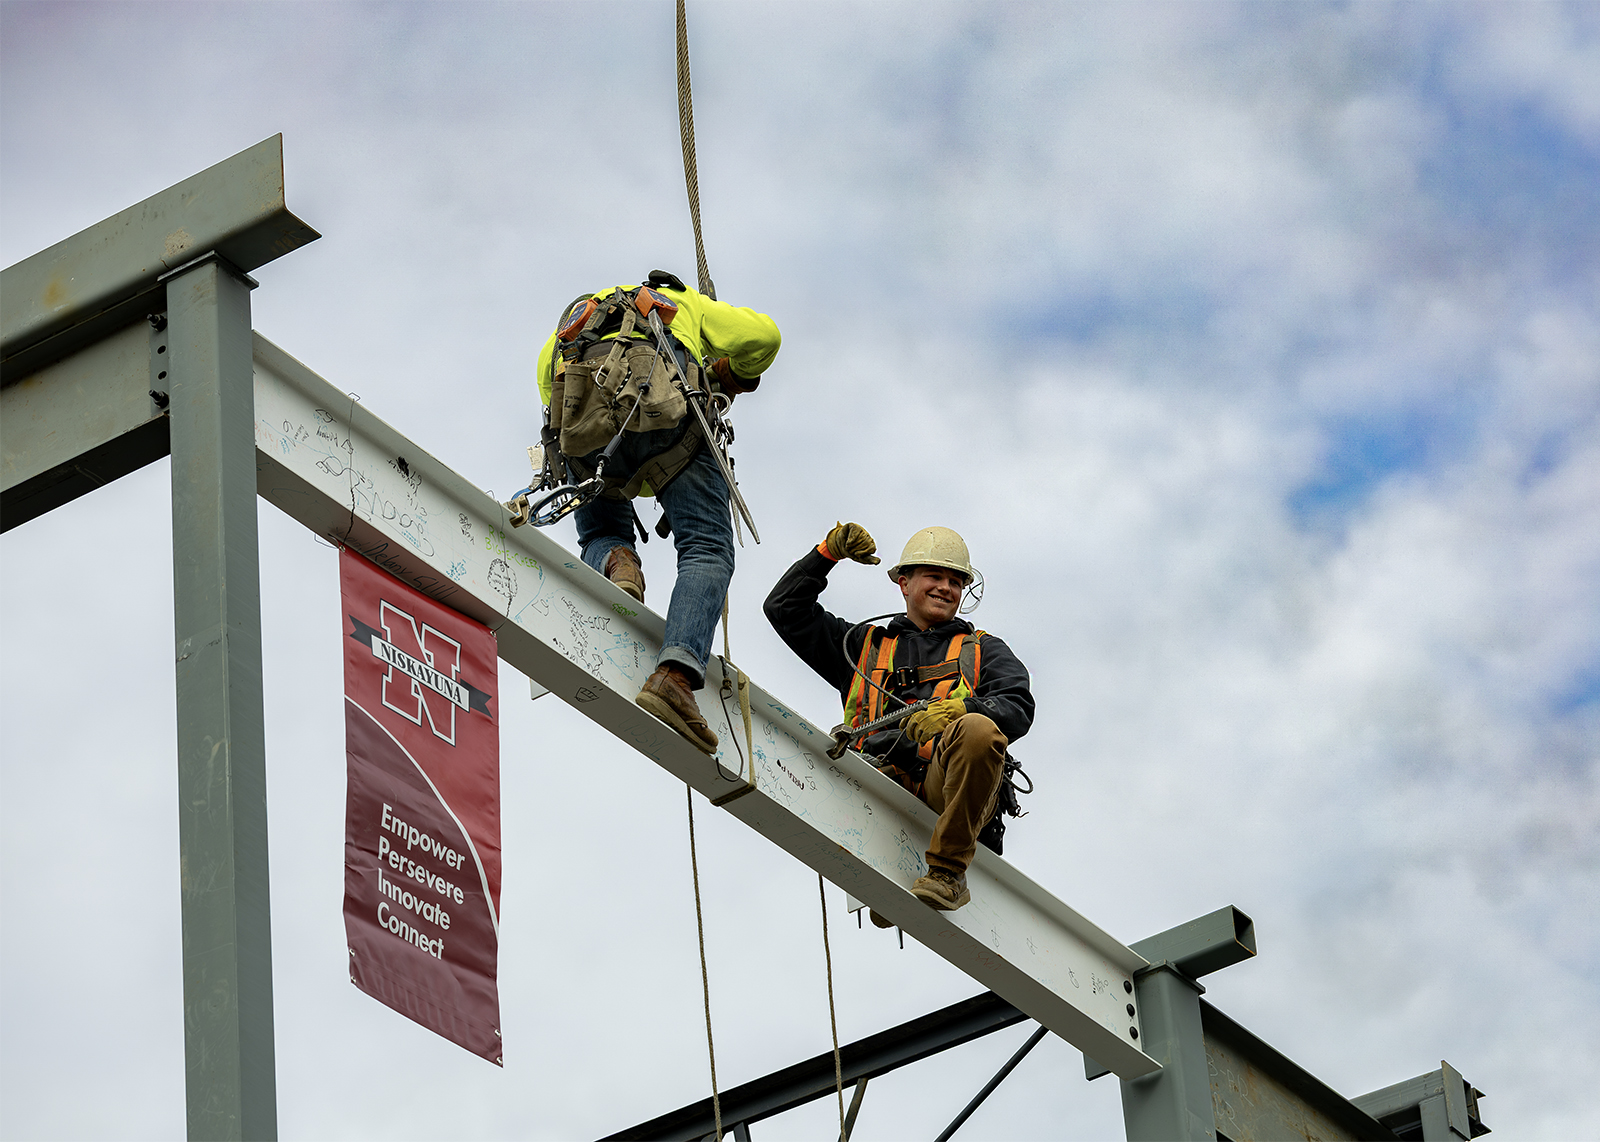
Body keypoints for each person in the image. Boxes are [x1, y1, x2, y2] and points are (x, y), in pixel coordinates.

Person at [533, 272, 780, 754]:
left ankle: (617, 561)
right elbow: (765, 336)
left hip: (587, 442)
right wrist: (736, 372)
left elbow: (550, 399)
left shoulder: (569, 328)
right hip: (672, 431)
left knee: (601, 530)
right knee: (706, 548)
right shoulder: (680, 304)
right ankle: (676, 676)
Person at [763, 523, 1034, 913]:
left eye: (956, 581)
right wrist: (827, 553)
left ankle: (947, 874)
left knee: (978, 730)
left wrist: (964, 709)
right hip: (875, 785)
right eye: (935, 576)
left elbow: (1018, 704)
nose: (946, 587)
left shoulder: (983, 650)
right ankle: (890, 866)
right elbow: (784, 609)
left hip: (947, 790)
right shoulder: (862, 647)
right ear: (904, 584)